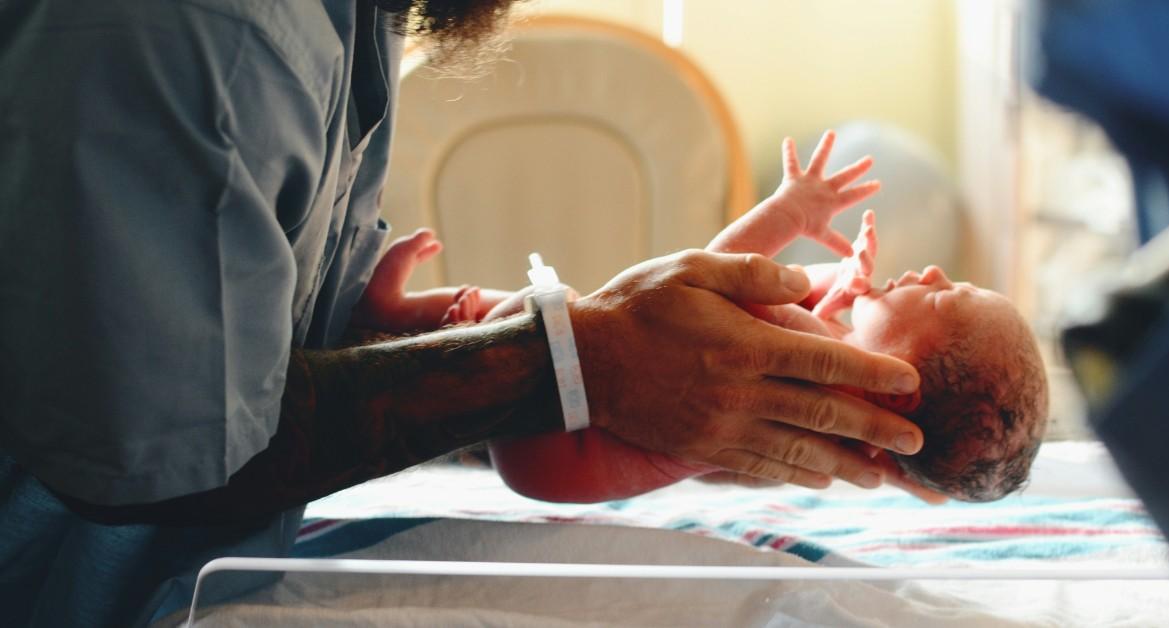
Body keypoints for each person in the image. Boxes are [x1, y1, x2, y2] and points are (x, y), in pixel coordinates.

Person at [0, 2, 927, 625]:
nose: (926, 275)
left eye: (944, 302)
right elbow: (163, 450)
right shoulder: (200, 32)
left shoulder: (346, 25)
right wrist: (570, 357)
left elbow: (203, 345)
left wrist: (372, 335)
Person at [384, 133, 1048, 503]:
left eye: (942, 298)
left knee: (518, 313)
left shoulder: (819, 361)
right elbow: (924, 475)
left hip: (566, 439)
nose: (931, 273)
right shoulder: (851, 430)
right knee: (531, 316)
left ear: (902, 385)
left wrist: (792, 213)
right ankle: (397, 320)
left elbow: (703, 285)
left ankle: (387, 316)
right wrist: (842, 294)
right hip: (563, 464)